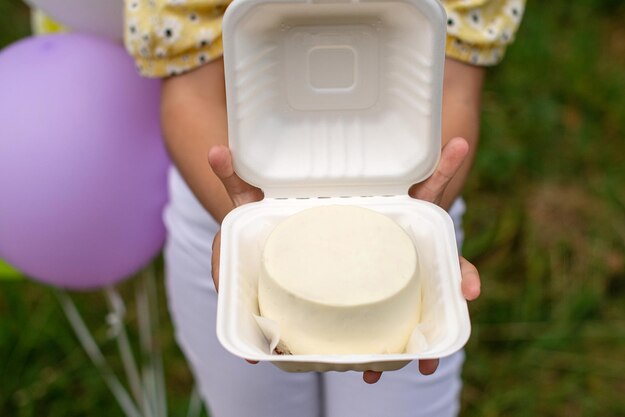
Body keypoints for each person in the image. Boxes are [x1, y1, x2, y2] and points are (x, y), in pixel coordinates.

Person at [124, 1, 525, 416]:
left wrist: (418, 210)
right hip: (223, 209)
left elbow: (454, 85)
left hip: (404, 210)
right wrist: (243, 217)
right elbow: (191, 92)